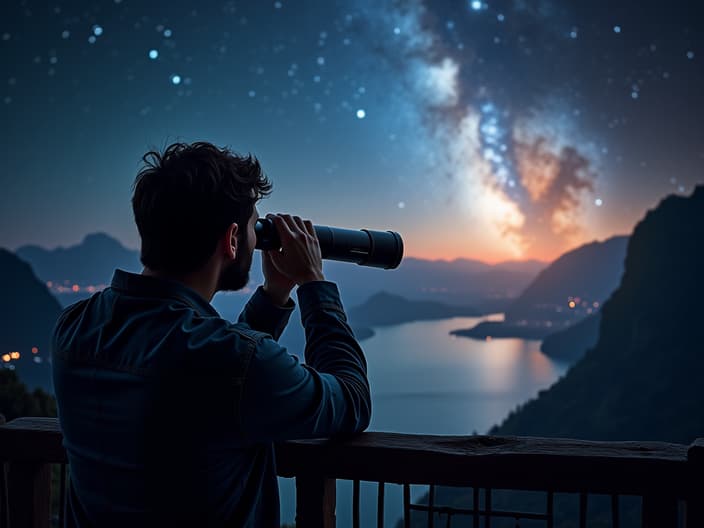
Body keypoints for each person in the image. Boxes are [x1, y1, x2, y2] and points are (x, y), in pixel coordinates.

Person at [51, 142, 371, 527]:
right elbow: (351, 399)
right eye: (255, 228)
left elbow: (219, 372)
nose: (257, 242)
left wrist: (274, 294)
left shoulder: (75, 327)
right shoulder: (232, 363)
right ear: (231, 239)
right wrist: (313, 284)